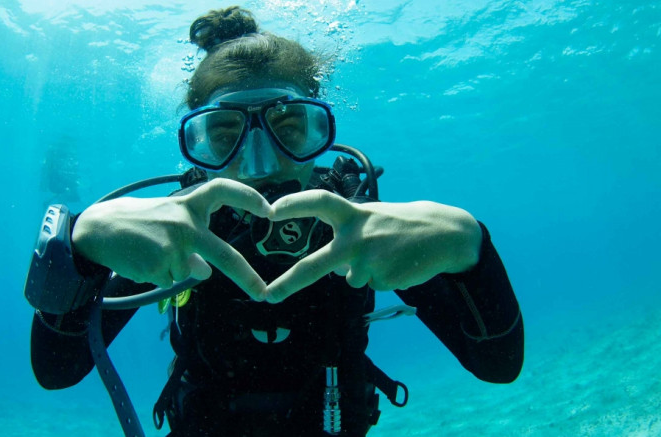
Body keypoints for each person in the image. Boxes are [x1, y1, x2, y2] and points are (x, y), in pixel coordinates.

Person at [26, 6, 523, 437]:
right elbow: (57, 368)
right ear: (197, 148)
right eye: (224, 135)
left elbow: (498, 364)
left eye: (289, 128)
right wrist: (81, 247)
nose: (261, 165)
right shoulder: (179, 236)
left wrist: (468, 247)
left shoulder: (355, 227)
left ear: (319, 130)